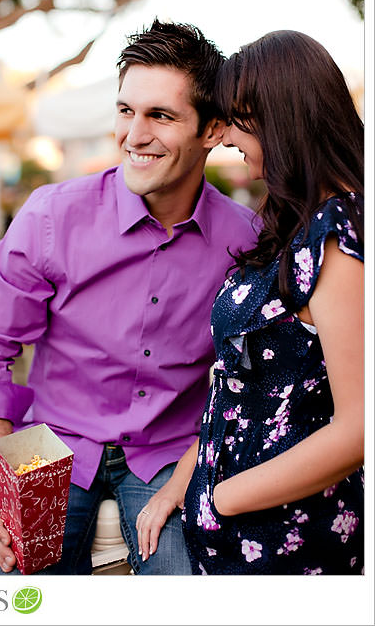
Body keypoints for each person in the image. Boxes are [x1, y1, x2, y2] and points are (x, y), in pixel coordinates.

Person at [0, 20, 259, 575]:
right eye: (125, 111)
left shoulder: (248, 239)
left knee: (191, 584)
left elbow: (248, 375)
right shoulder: (49, 216)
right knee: (17, 585)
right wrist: (7, 483)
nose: (134, 134)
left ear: (212, 130)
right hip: (51, 441)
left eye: (160, 115)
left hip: (172, 449)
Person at [152, 30, 362, 574]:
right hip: (239, 531)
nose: (228, 139)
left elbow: (360, 427)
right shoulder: (296, 223)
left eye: (240, 121)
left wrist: (225, 499)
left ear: (282, 117)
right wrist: (191, 477)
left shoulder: (338, 235)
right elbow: (242, 384)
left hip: (287, 540)